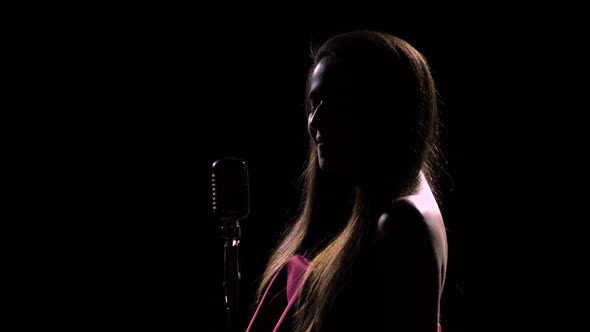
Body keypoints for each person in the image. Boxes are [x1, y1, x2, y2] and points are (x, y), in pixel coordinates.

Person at [245, 30, 448, 332]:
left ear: (384, 109)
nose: (316, 122)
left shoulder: (401, 223)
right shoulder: (397, 194)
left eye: (340, 100)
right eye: (315, 104)